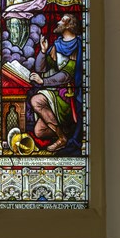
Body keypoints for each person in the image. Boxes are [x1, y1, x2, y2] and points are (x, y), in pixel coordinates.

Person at [29, 13, 82, 152]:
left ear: (70, 25)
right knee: (39, 132)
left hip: (67, 96)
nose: (58, 22)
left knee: (36, 100)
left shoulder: (77, 46)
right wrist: (43, 51)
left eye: (62, 20)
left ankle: (62, 138)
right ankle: (64, 132)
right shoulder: (56, 46)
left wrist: (43, 81)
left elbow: (67, 75)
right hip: (53, 93)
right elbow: (41, 68)